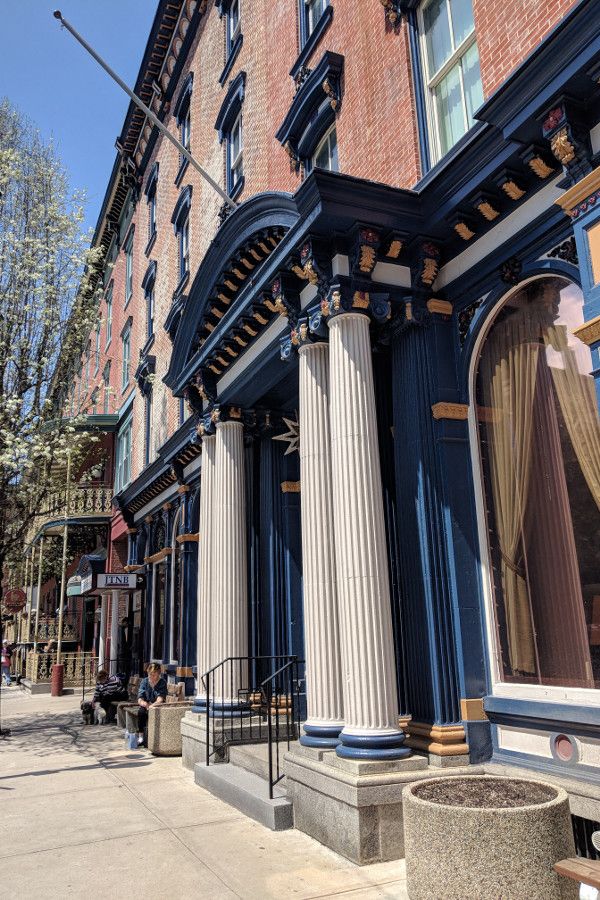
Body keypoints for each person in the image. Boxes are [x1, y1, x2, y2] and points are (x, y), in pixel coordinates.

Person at [136, 663, 167, 747]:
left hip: (157, 705)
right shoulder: (144, 681)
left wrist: (152, 705)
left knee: (154, 713)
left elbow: (160, 699)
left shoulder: (162, 682)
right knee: (141, 712)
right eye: (150, 674)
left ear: (158, 673)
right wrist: (144, 704)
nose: (151, 676)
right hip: (146, 705)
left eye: (153, 674)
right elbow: (140, 698)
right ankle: (141, 736)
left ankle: (155, 738)